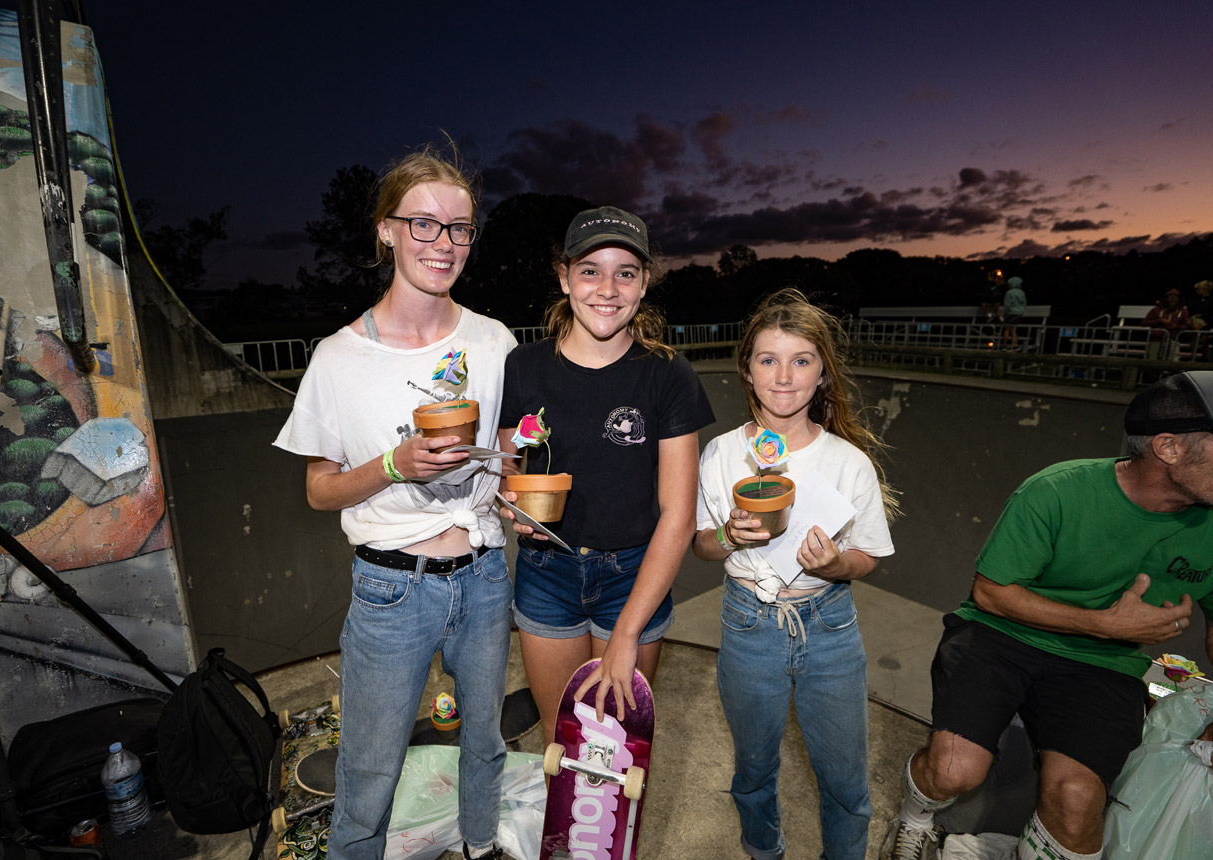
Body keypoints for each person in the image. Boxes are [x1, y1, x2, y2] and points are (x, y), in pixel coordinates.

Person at [274, 147, 516, 860]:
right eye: (424, 224)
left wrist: (517, 482)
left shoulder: (494, 342)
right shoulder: (337, 358)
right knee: (371, 765)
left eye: (460, 228)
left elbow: (508, 456)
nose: (444, 244)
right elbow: (319, 489)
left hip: (483, 576)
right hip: (391, 590)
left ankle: (479, 845)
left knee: (485, 741)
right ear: (386, 230)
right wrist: (393, 465)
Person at [879, 370, 1213, 860]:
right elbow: (991, 594)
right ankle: (915, 818)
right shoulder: (1059, 490)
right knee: (954, 770)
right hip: (1002, 634)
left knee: (1077, 803)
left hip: (1102, 662)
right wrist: (1104, 623)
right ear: (1168, 447)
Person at [692, 288, 898, 860]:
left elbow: (869, 555)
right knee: (753, 771)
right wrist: (728, 536)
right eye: (768, 360)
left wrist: (836, 564)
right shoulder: (721, 454)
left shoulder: (849, 462)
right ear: (747, 370)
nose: (784, 377)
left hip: (830, 628)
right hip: (747, 625)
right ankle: (764, 851)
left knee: (845, 781)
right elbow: (701, 546)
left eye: (801, 361)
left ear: (822, 374)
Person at [497, 205, 714, 741]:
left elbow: (679, 515)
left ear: (644, 284)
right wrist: (511, 503)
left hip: (633, 578)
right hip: (547, 573)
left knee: (614, 747)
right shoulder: (523, 366)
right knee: (562, 740)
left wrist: (627, 631)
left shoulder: (668, 374)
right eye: (590, 270)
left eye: (626, 273)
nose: (608, 289)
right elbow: (508, 468)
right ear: (564, 277)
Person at [1141, 288, 1191, 360]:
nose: (1172, 300)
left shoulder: (1183, 311)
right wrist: (1160, 321)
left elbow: (1186, 326)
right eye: (1170, 298)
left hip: (1173, 339)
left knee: (1173, 360)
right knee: (1152, 358)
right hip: (1156, 339)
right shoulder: (1157, 310)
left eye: (1175, 298)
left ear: (1179, 300)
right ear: (1166, 299)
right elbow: (1144, 323)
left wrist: (1176, 326)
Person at [1001, 276, 1027, 349]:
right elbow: (1024, 303)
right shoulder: (1022, 292)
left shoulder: (1009, 293)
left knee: (1007, 329)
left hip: (1011, 313)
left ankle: (1005, 345)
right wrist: (1022, 311)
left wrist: (1005, 313)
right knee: (1012, 328)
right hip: (1019, 313)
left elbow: (1007, 304)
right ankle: (1015, 345)